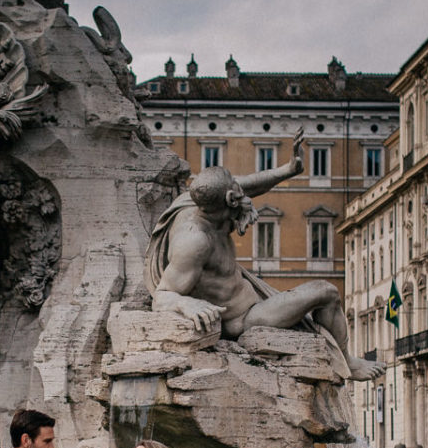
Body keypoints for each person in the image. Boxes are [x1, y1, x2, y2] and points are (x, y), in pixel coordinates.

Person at [146, 155, 384, 381]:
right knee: (326, 291)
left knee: (317, 300)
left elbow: (251, 184)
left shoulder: (198, 200)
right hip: (245, 317)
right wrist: (186, 303)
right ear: (230, 199)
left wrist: (288, 169)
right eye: (237, 189)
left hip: (253, 293)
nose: (243, 190)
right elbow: (162, 295)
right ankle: (348, 363)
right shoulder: (195, 241)